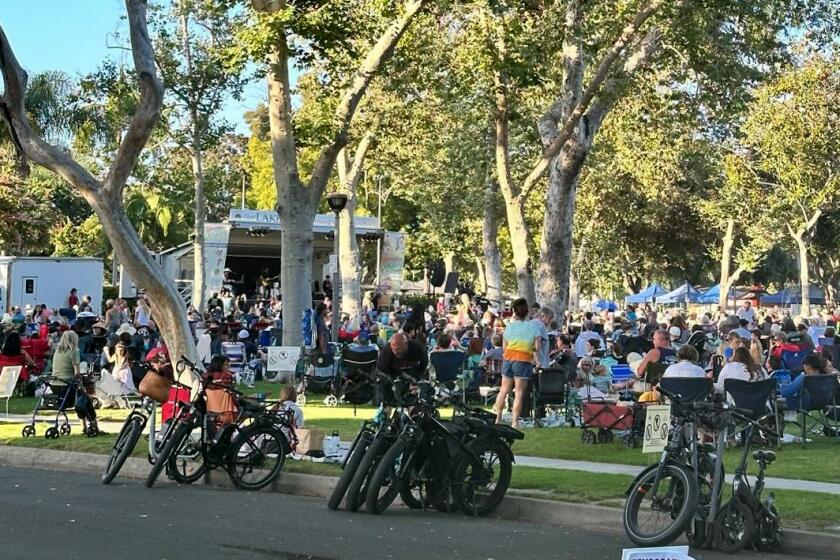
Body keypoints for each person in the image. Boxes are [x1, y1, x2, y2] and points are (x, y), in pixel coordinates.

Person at [493, 298, 540, 429]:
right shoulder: (532, 327)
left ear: (514, 311)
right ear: (527, 312)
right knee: (519, 393)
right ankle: (514, 422)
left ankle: (497, 418)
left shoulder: (510, 327)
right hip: (523, 360)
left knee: (503, 390)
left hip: (508, 359)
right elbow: (537, 346)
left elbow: (504, 346)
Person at [51, 330, 99, 434]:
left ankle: (84, 427)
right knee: (85, 400)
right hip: (67, 386)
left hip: (55, 386)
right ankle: (93, 423)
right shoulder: (74, 352)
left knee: (82, 398)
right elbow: (77, 374)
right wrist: (88, 379)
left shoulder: (57, 352)